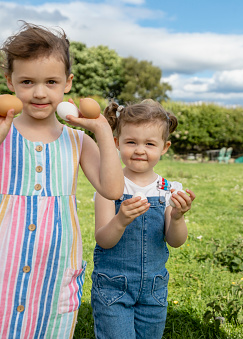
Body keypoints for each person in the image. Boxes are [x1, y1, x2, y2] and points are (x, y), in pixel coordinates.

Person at [0, 22, 123, 338]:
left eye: (50, 81)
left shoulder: (77, 141)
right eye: (27, 81)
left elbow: (113, 189)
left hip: (54, 273)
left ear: (67, 83)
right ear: (10, 82)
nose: (39, 92)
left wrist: (102, 130)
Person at [91, 100, 196, 338]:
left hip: (154, 289)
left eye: (149, 143)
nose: (140, 150)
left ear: (164, 147)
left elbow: (176, 241)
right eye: (131, 142)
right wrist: (120, 221)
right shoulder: (109, 186)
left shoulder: (169, 189)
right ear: (116, 143)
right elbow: (103, 240)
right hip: (113, 287)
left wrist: (178, 217)